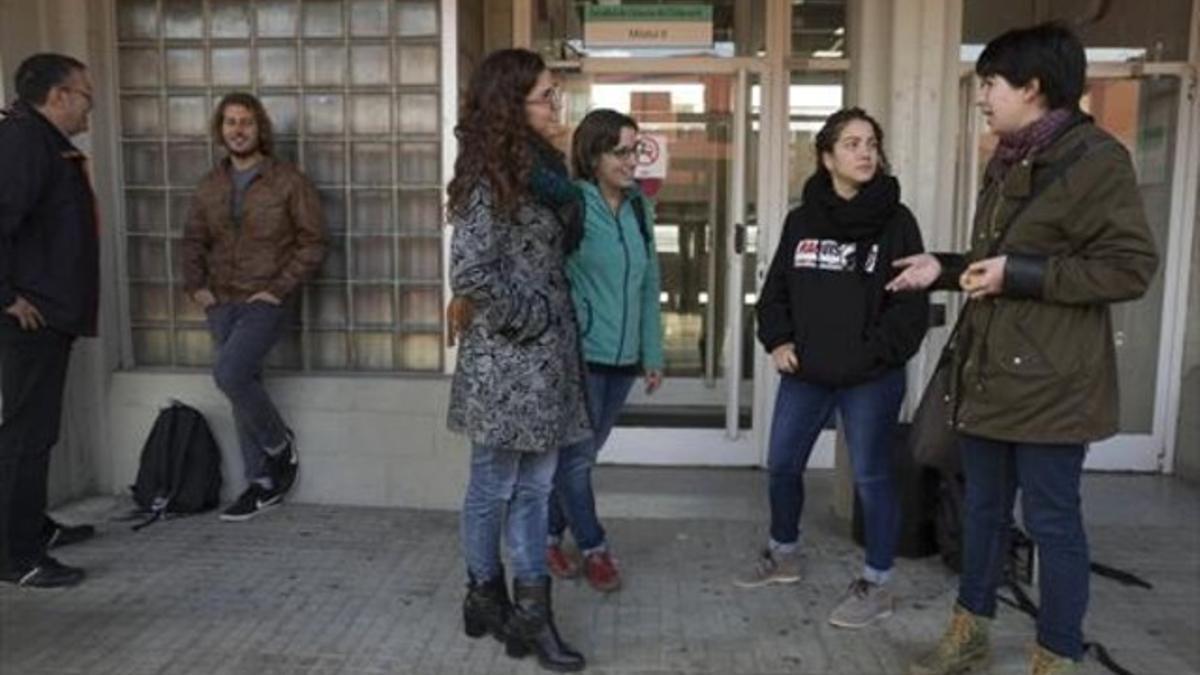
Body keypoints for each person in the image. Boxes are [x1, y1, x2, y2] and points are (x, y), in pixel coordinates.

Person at [889, 23, 1158, 675]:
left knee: (1052, 522)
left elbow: (1130, 268)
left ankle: (1056, 653)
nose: (982, 97)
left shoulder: (1098, 159)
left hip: (1056, 386)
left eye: (990, 84)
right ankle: (971, 629)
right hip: (990, 375)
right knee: (980, 511)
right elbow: (997, 263)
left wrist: (1020, 274)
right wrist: (948, 267)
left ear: (1033, 88)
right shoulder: (1009, 155)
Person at [741, 107, 929, 630]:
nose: (865, 152)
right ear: (827, 157)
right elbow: (775, 290)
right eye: (851, 143)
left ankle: (879, 582)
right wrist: (778, 341)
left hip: (872, 376)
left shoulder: (898, 220)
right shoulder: (803, 220)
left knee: (871, 476)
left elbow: (910, 309)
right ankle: (783, 554)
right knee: (782, 464)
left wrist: (872, 355)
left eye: (871, 142)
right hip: (807, 372)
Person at [446, 48, 589, 673]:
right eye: (546, 96)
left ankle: (528, 612)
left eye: (555, 95)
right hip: (507, 360)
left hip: (548, 359)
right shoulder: (489, 177)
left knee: (535, 488)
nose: (556, 106)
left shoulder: (545, 169)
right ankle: (487, 592)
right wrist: (533, 317)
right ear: (512, 104)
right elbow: (470, 271)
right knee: (496, 486)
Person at [181, 92, 326, 522]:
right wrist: (196, 288)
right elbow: (192, 240)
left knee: (231, 373)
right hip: (221, 301)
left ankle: (279, 445)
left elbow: (313, 242)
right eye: (230, 122)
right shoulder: (210, 184)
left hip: (265, 300)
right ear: (220, 130)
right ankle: (261, 483)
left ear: (259, 128)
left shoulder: (288, 181)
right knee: (240, 386)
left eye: (246, 122)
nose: (238, 130)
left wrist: (280, 288)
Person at [543, 109, 665, 593]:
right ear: (593, 155)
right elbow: (550, 275)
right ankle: (594, 548)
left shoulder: (640, 209)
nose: (631, 161)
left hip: (625, 359)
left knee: (583, 455)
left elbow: (649, 281)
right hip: (582, 355)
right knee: (577, 461)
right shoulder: (572, 203)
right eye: (621, 151)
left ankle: (549, 534)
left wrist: (651, 353)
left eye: (635, 150)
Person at [0, 53, 100, 588]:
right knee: (25, 436)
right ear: (57, 96)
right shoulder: (21, 141)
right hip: (29, 319)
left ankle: (31, 527)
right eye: (86, 94)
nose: (91, 106)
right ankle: (16, 556)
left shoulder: (40, 141)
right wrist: (6, 297)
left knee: (38, 433)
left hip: (49, 313)